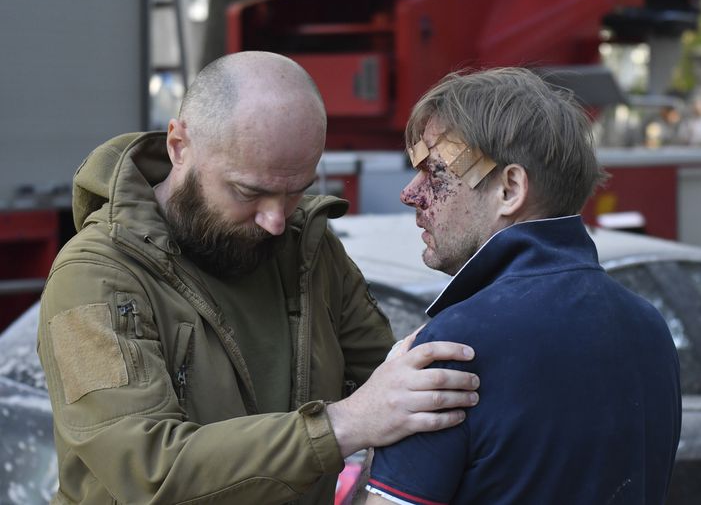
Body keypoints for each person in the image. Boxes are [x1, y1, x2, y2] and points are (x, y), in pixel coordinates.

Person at [36, 51, 481, 505]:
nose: (274, 219)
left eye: (296, 192)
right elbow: (149, 470)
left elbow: (394, 382)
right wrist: (341, 425)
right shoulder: (93, 278)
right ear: (179, 146)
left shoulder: (308, 249)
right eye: (249, 191)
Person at [364, 68, 682, 505]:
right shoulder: (651, 329)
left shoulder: (454, 349)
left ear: (510, 189)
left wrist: (370, 420)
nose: (410, 194)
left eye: (434, 173)